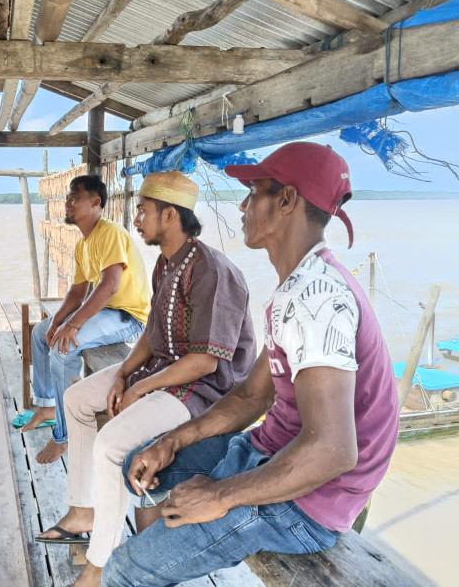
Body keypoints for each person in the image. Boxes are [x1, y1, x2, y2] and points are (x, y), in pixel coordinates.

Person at [103, 142, 399, 586]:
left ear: (286, 201)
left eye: (254, 191)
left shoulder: (318, 298)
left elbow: (333, 451)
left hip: (311, 500)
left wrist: (220, 495)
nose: (241, 205)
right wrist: (173, 441)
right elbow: (252, 394)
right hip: (268, 452)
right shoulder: (296, 287)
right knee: (137, 468)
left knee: (122, 571)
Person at [36, 170, 256, 587]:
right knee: (79, 400)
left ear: (169, 215)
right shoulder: (165, 264)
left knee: (111, 444)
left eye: (142, 212)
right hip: (164, 374)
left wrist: (140, 387)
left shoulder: (211, 269)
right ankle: (84, 510)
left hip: (202, 392)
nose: (136, 220)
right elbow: (151, 338)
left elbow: (206, 363)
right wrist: (122, 374)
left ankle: (99, 566)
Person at [21, 175, 151, 464]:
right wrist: (57, 321)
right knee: (41, 333)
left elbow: (109, 286)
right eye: (68, 197)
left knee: (63, 347)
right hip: (107, 312)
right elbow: (78, 291)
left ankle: (63, 437)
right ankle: (46, 405)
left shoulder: (111, 232)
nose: (68, 202)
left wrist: (73, 325)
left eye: (74, 197)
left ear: (95, 203)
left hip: (129, 316)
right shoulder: (83, 244)